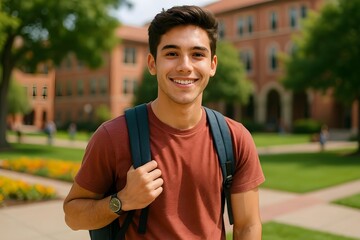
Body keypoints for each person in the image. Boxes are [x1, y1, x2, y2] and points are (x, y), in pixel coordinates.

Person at [63, 5, 265, 239]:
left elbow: (248, 225)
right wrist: (122, 200)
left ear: (212, 65)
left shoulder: (234, 138)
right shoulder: (114, 136)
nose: (185, 66)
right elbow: (73, 215)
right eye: (171, 53)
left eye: (197, 54)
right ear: (152, 64)